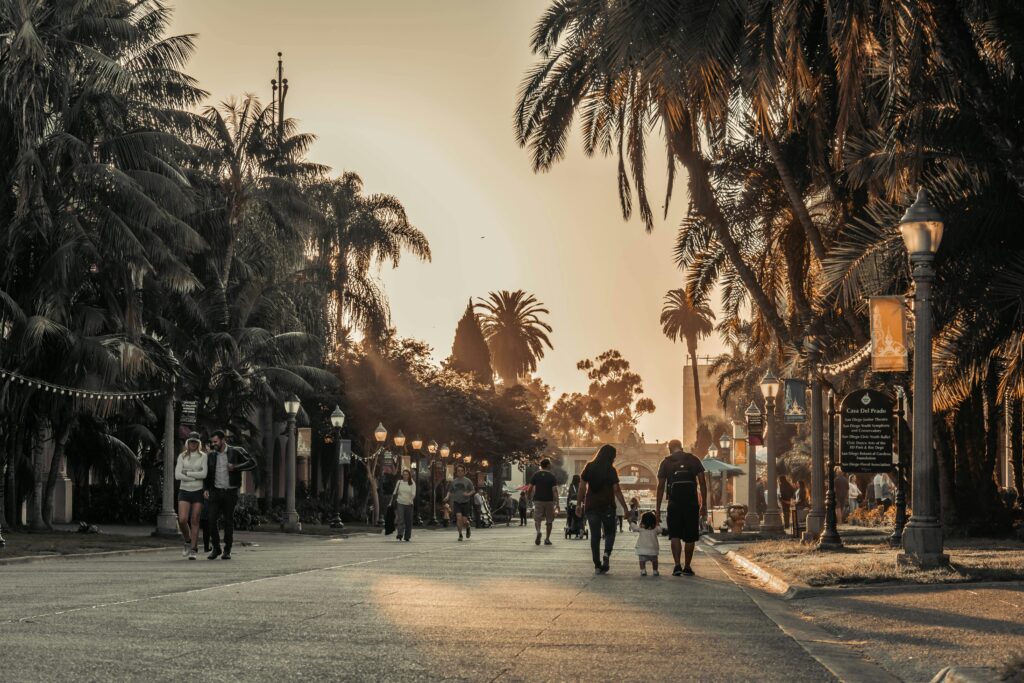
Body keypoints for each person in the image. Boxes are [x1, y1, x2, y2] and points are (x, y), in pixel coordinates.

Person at [576, 444, 630, 574]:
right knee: (610, 532)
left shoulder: (589, 467)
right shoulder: (611, 470)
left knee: (595, 535)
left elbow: (582, 487)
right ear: (611, 456)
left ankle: (596, 564)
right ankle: (606, 553)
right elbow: (616, 490)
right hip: (607, 506)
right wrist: (626, 508)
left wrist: (579, 504)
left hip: (591, 506)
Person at [655, 439, 707, 577]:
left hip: (674, 503)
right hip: (691, 504)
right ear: (681, 447)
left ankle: (677, 566)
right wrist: (704, 504)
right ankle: (688, 566)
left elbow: (660, 487)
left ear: (670, 449)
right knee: (690, 536)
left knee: (675, 535)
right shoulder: (693, 459)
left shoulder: (666, 462)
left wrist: (658, 509)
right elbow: (702, 483)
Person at [204, 430, 257, 560]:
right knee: (211, 520)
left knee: (228, 522)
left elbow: (252, 462)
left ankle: (227, 550)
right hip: (215, 492)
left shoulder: (236, 451)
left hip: (230, 492)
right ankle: (216, 548)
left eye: (216, 441)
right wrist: (206, 488)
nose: (213, 444)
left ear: (223, 440)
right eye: (212, 442)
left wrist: (236, 467)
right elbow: (208, 474)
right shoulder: (211, 456)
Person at [174, 433, 208, 560]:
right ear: (187, 442)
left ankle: (194, 548)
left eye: (195, 442)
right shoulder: (182, 456)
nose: (193, 444)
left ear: (198, 443)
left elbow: (204, 474)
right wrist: (195, 475)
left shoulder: (203, 456)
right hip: (184, 490)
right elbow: (177, 475)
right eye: (191, 442)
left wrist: (187, 473)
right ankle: (187, 541)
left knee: (195, 520)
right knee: (182, 519)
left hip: (198, 491)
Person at [528, 458, 559, 545]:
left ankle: (538, 531)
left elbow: (529, 488)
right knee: (549, 521)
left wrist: (528, 498)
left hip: (538, 500)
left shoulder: (535, 475)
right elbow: (555, 491)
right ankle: (547, 539)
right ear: (548, 465)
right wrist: (557, 503)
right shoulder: (552, 476)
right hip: (549, 501)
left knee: (537, 519)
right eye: (550, 464)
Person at [447, 464, 475, 541]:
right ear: (456, 472)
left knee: (465, 521)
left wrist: (468, 494)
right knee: (459, 518)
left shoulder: (468, 481)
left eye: (461, 471)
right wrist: (447, 496)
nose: (460, 472)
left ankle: (468, 527)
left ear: (464, 472)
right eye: (458, 470)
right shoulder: (454, 481)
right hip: (457, 502)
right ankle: (460, 535)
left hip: (465, 502)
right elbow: (450, 490)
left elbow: (473, 490)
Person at [630, 510, 661, 576]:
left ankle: (643, 570)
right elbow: (660, 530)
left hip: (642, 549)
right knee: (655, 561)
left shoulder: (641, 529)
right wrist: (657, 522)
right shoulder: (655, 529)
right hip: (653, 549)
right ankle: (655, 571)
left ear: (643, 521)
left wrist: (630, 521)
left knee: (642, 561)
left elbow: (634, 527)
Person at [392, 469, 416, 542]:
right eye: (404, 474)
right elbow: (395, 492)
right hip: (400, 502)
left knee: (408, 520)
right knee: (401, 519)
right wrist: (391, 501)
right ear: (402, 475)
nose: (405, 476)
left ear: (409, 475)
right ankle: (400, 534)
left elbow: (413, 493)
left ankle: (407, 536)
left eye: (406, 474)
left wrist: (410, 500)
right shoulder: (399, 482)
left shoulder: (412, 483)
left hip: (409, 504)